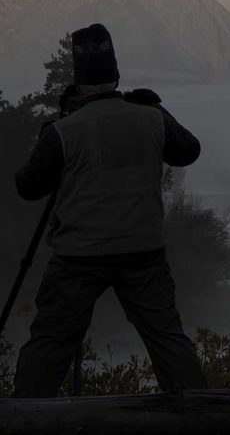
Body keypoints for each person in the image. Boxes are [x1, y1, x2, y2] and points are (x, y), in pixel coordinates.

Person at [12, 23, 208, 397]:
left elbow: (27, 186)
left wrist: (47, 135)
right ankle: (200, 412)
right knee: (167, 338)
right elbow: (189, 151)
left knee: (51, 341)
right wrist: (156, 107)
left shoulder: (63, 131)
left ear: (78, 79)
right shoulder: (151, 118)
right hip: (143, 250)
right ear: (115, 74)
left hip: (77, 256)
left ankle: (25, 416)